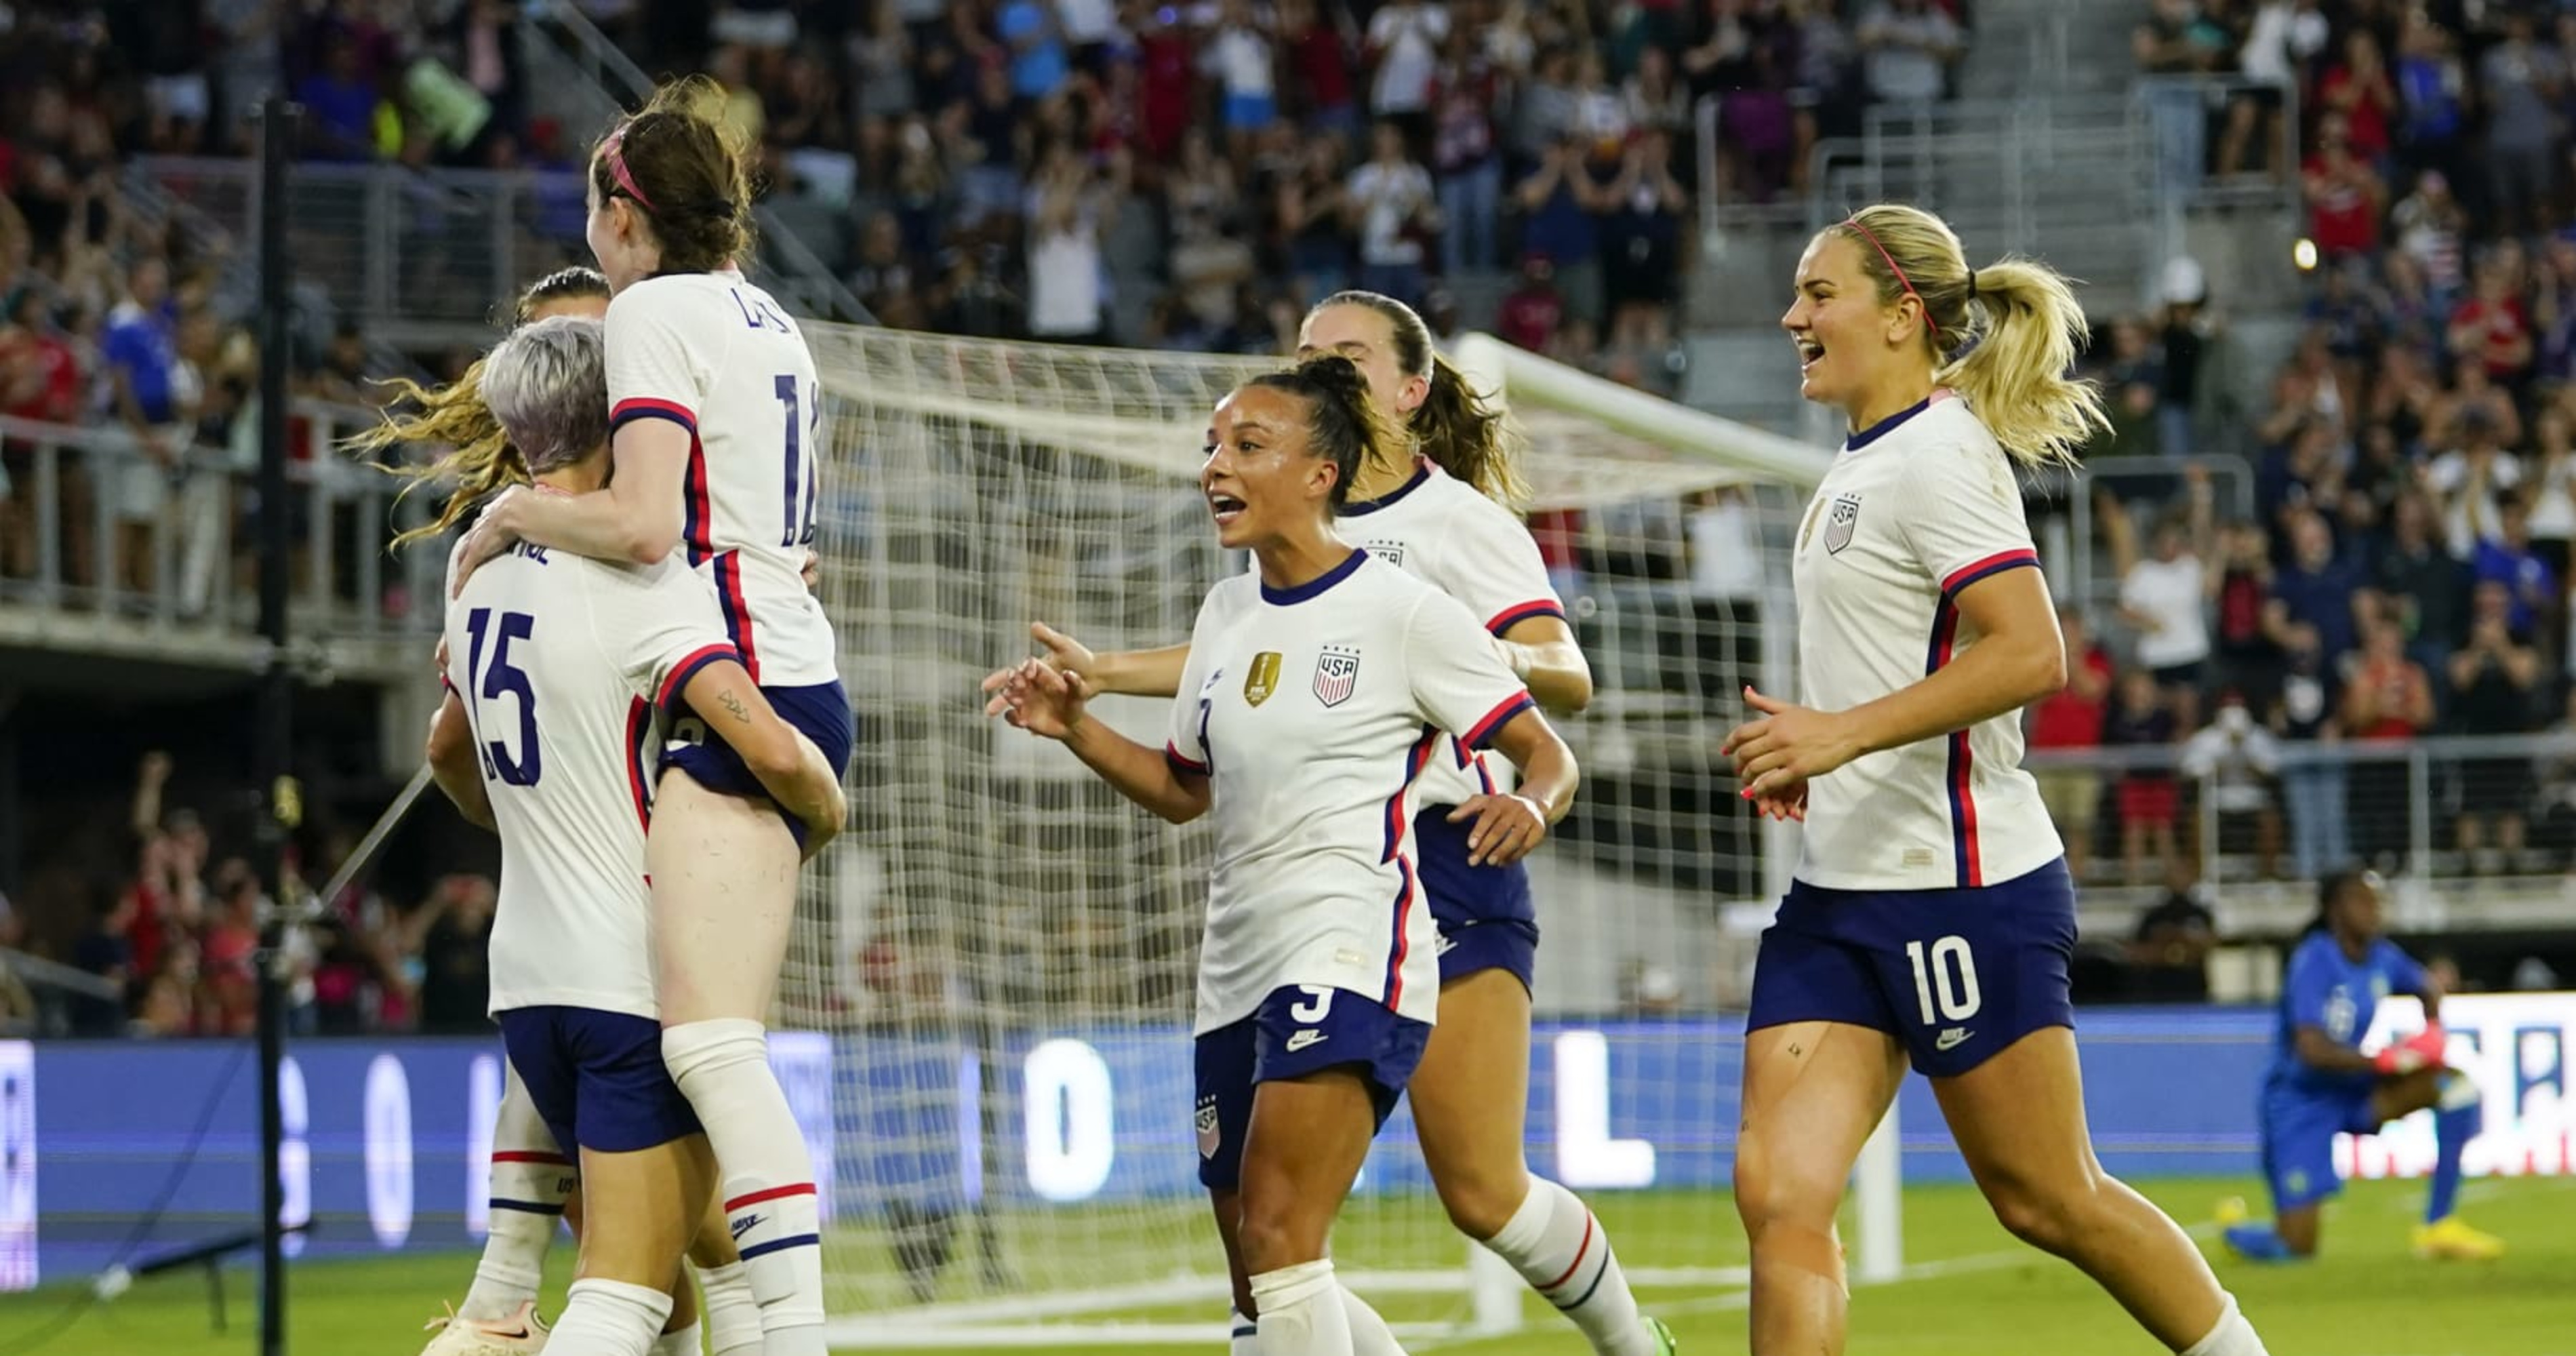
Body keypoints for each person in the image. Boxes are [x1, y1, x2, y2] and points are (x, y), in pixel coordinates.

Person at [985, 292, 1672, 1356]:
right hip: (1245, 930)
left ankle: (1636, 1342)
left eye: (1341, 358)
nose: (1319, 369)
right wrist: (1092, 698)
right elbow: (1208, 739)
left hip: (1416, 865)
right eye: (1303, 355)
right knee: (1258, 1256)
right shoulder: (1244, 595)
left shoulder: (1435, 557)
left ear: (1402, 395)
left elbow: (1558, 699)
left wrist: (1486, 705)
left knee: (1448, 1196)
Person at [1720, 203, 2271, 1356]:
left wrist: (1841, 737)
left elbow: (2030, 653)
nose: (1793, 316)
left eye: (1819, 294)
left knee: (2048, 1198)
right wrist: (1818, 760)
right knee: (1779, 1196)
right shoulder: (1864, 461)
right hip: (1839, 897)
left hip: (1958, 888)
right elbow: (1894, 669)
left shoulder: (1937, 455)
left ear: (1901, 314)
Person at [449, 77, 853, 1355]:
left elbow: (645, 524)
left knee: (712, 1046)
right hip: (771, 660)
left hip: (735, 681)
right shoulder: (771, 316)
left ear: (629, 215)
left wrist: (508, 516)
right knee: (686, 1078)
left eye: (591, 206)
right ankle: (516, 1290)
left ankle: (782, 1337)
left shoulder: (650, 318)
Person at [357, 268, 766, 1356]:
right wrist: (817, 796)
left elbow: (449, 748)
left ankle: (498, 1285)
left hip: (531, 958)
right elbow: (768, 740)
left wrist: (528, 818)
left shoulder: (481, 564)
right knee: (665, 1268)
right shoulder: (651, 557)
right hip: (634, 947)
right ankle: (499, 1300)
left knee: (673, 1249)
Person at [2218, 869, 2501, 1262]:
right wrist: (2383, 1060)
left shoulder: (2383, 957)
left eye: (2377, 901)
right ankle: (2235, 1231)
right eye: (2363, 901)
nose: (2375, 910)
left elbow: (2428, 988)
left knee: (2456, 1087)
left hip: (2353, 1088)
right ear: (2336, 909)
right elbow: (2312, 1051)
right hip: (2301, 1102)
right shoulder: (2313, 961)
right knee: (2296, 1248)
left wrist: (2433, 1032)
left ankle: (2439, 1226)